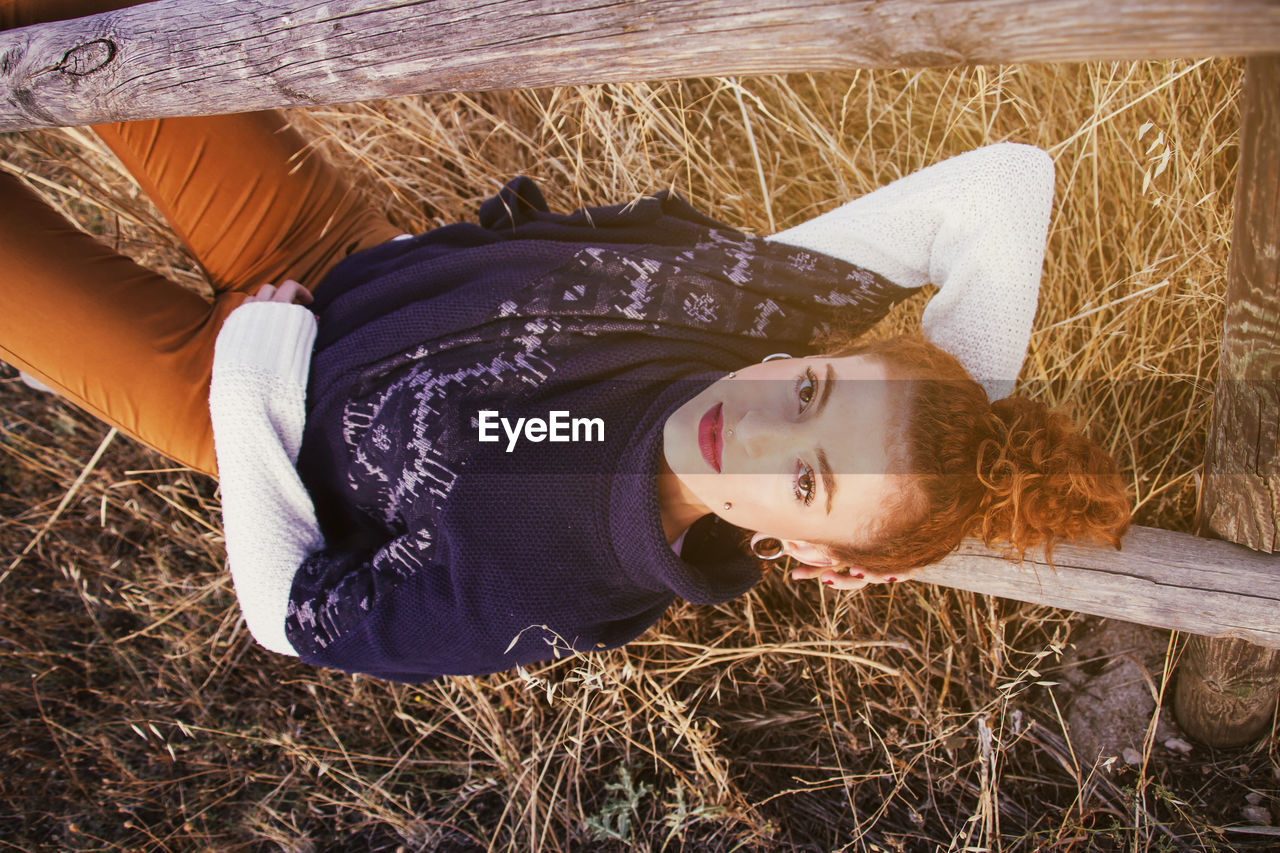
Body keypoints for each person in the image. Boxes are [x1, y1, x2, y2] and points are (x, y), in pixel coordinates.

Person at [1, 2, 1130, 683]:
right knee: (100, 33)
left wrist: (249, 379)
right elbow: (1000, 186)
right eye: (814, 390)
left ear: (810, 554)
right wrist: (956, 413)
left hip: (233, 396)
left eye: (807, 474)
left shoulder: (562, 584)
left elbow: (293, 617)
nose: (755, 425)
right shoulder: (745, 308)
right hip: (337, 252)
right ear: (814, 350)